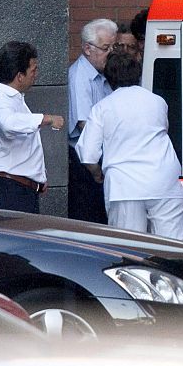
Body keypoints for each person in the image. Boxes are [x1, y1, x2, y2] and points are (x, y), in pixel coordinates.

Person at [75, 52, 183, 240]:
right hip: (164, 179)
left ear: (108, 78)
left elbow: (88, 155)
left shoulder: (102, 107)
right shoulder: (158, 101)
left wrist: (97, 174)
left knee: (129, 247)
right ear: (138, 74)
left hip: (124, 185)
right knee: (174, 246)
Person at [0, 41, 64, 214]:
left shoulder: (14, 99)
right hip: (11, 191)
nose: (36, 75)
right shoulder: (0, 100)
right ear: (20, 76)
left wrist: (38, 177)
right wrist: (46, 119)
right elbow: (8, 123)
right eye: (33, 70)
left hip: (21, 189)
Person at [67, 18, 117, 223]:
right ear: (88, 49)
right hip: (85, 164)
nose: (111, 53)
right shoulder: (79, 76)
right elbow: (84, 125)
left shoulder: (101, 73)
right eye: (106, 48)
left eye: (113, 47)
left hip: (101, 156)